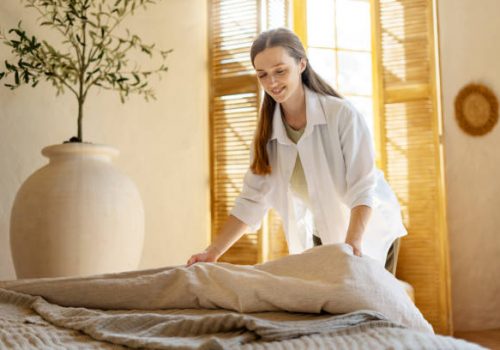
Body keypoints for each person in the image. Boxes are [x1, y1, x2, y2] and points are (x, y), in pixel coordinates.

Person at [187, 28, 407, 274]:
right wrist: (212, 252)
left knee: (370, 308)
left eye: (280, 71)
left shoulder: (342, 115)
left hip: (369, 229)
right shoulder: (266, 135)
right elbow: (252, 200)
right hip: (323, 232)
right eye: (263, 75)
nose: (272, 82)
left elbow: (363, 188)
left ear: (301, 64)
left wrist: (353, 244)